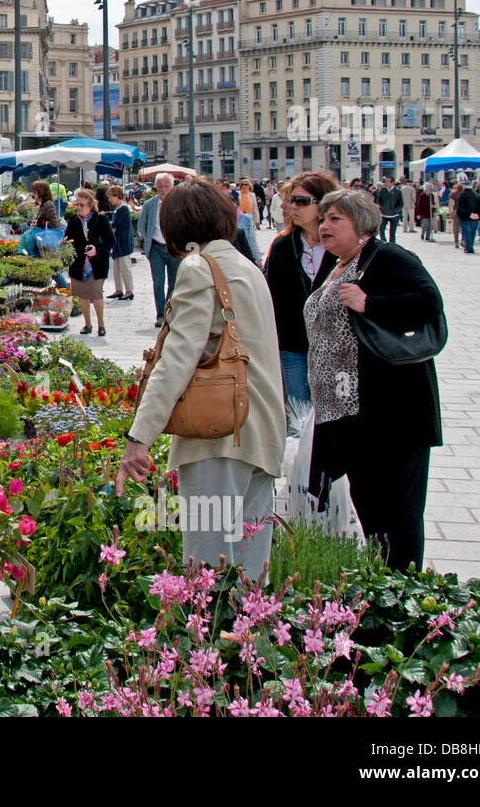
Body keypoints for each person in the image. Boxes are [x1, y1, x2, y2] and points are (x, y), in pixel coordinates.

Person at [116, 180, 286, 574]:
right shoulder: (246, 266)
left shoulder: (198, 267)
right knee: (249, 570)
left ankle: (205, 637)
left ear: (177, 226)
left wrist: (139, 438)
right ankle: (246, 636)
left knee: (207, 569)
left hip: (220, 433)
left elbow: (177, 358)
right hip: (260, 433)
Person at [304, 189, 443, 571]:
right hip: (348, 412)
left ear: (361, 226)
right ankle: (382, 584)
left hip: (391, 411)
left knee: (398, 511)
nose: (325, 225)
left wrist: (371, 304)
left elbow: (429, 303)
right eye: (324, 218)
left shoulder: (388, 257)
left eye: (336, 219)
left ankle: (406, 589)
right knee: (371, 509)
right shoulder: (336, 264)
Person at [262, 170, 338, 410]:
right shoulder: (283, 246)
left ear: (323, 204)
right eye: (291, 200)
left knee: (334, 412)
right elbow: (271, 298)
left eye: (302, 201)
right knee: (299, 416)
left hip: (334, 348)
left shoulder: (340, 245)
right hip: (293, 345)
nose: (292, 206)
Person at [62, 187, 112, 335]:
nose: (78, 208)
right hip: (78, 263)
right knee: (82, 295)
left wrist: (98, 250)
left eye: (81, 205)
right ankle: (87, 324)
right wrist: (65, 242)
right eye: (77, 204)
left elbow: (111, 241)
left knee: (96, 294)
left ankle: (101, 325)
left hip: (96, 264)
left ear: (91, 205)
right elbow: (68, 237)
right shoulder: (73, 221)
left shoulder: (101, 220)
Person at [138, 173, 181, 327]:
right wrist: (148, 239)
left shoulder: (180, 203)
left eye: (166, 186)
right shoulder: (150, 204)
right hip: (156, 247)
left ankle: (172, 312)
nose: (163, 190)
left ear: (172, 186)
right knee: (158, 283)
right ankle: (161, 315)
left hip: (174, 247)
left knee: (174, 283)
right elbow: (141, 226)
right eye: (159, 187)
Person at [107, 185, 135, 301]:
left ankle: (129, 291)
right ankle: (118, 289)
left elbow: (114, 225)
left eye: (110, 197)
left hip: (123, 242)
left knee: (124, 268)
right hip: (118, 243)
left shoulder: (123, 209)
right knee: (116, 269)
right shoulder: (118, 209)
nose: (109, 199)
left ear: (117, 196)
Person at [455, 180, 480, 254]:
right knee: (472, 233)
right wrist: (476, 214)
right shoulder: (476, 194)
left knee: (467, 233)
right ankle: (470, 246)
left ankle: (469, 248)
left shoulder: (462, 195)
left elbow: (460, 207)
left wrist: (469, 214)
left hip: (465, 217)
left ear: (464, 186)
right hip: (475, 217)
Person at [375, 175, 403, 243]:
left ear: (392, 183)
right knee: (381, 229)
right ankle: (384, 242)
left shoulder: (397, 191)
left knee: (392, 232)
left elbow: (401, 203)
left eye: (387, 181)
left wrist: (396, 210)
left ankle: (392, 245)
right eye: (385, 181)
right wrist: (381, 206)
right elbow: (379, 199)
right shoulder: (383, 190)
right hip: (384, 214)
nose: (386, 183)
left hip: (394, 215)